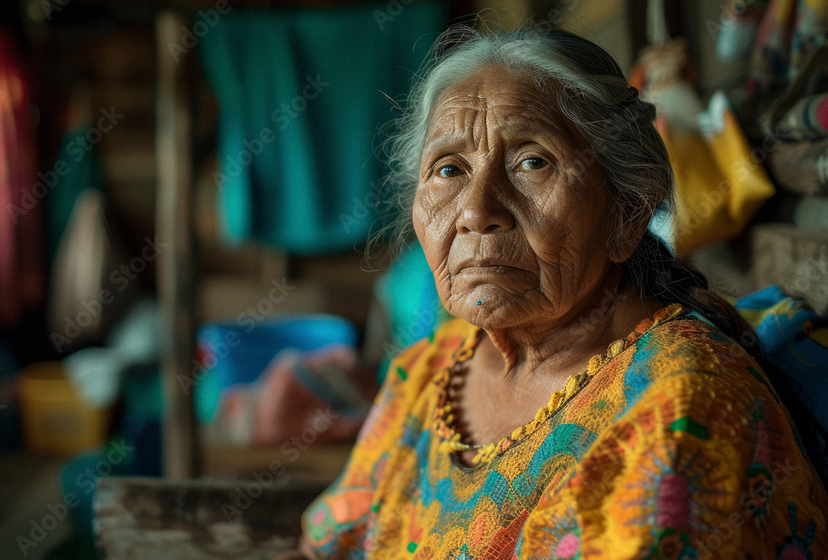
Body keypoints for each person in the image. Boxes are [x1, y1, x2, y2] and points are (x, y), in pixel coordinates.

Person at [288, 25, 828, 559]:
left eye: (531, 162)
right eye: (448, 169)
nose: (476, 211)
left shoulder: (678, 412)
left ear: (628, 211)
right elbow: (328, 544)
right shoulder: (429, 371)